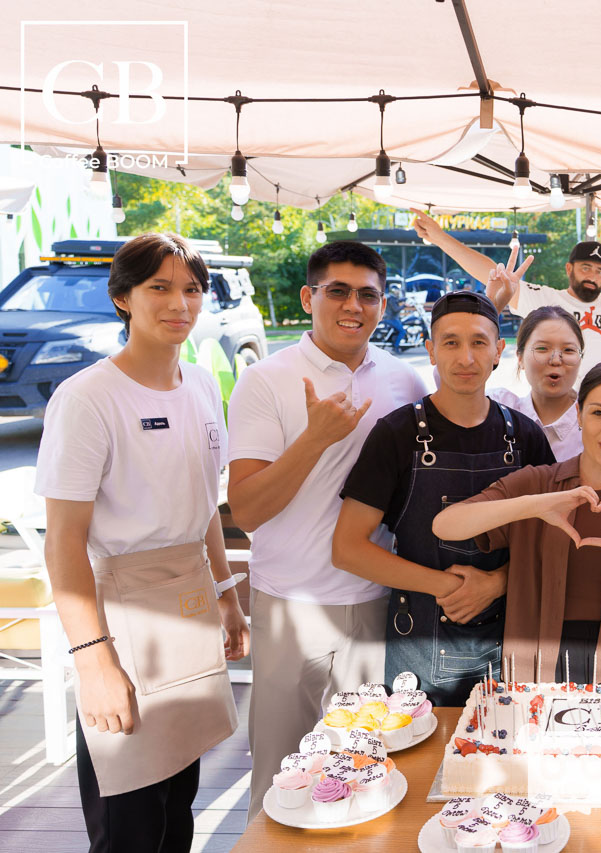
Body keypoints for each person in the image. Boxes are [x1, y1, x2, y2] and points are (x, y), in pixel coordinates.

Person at [35, 233, 249, 852]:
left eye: (192, 289)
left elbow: (204, 503)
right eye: (160, 287)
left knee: (178, 803)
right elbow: (64, 544)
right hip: (121, 619)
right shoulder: (87, 398)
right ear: (122, 297)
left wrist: (227, 595)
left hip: (189, 607)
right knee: (127, 815)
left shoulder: (201, 384)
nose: (180, 303)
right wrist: (93, 662)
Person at [226, 241, 430, 817]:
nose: (352, 306)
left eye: (367, 294)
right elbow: (246, 510)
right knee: (281, 776)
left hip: (375, 602)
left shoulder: (404, 380)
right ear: (307, 297)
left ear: (384, 304)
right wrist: (315, 439)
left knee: (364, 773)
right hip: (289, 604)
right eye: (336, 291)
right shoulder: (266, 380)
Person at [333, 291, 555, 706]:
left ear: (499, 351)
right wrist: (450, 587)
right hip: (419, 639)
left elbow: (552, 542)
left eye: (479, 342)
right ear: (431, 350)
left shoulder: (525, 437)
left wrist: (496, 582)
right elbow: (347, 549)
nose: (465, 358)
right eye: (451, 343)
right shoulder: (397, 434)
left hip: (511, 636)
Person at [432, 362, 601, 684]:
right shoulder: (538, 482)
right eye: (599, 413)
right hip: (536, 663)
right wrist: (538, 505)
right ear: (579, 414)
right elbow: (446, 525)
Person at [412, 211, 601, 372]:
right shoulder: (546, 301)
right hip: (554, 406)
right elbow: (494, 274)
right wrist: (441, 238)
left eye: (599, 271)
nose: (593, 276)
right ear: (569, 269)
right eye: (586, 268)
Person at [489, 306, 585, 461]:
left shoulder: (598, 420)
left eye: (568, 350)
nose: (555, 360)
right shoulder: (499, 410)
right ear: (520, 358)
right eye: (542, 348)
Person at [384, 281, 407, 353]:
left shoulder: (391, 298)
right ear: (393, 291)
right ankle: (396, 346)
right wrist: (404, 305)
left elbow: (397, 301)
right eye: (397, 290)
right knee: (402, 331)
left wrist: (405, 299)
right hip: (391, 319)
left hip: (392, 318)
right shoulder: (391, 299)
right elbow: (395, 309)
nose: (398, 291)